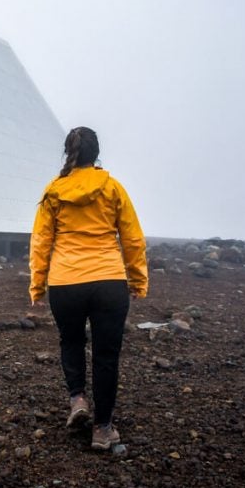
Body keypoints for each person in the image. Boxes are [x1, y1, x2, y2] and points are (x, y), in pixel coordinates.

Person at [28, 127, 148, 450]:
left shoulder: (54, 191)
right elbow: (133, 238)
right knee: (107, 355)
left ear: (70, 153)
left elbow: (41, 242)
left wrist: (37, 286)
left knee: (71, 341)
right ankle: (103, 428)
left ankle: (78, 398)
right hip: (109, 282)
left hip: (66, 283)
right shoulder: (112, 188)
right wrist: (138, 280)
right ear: (96, 154)